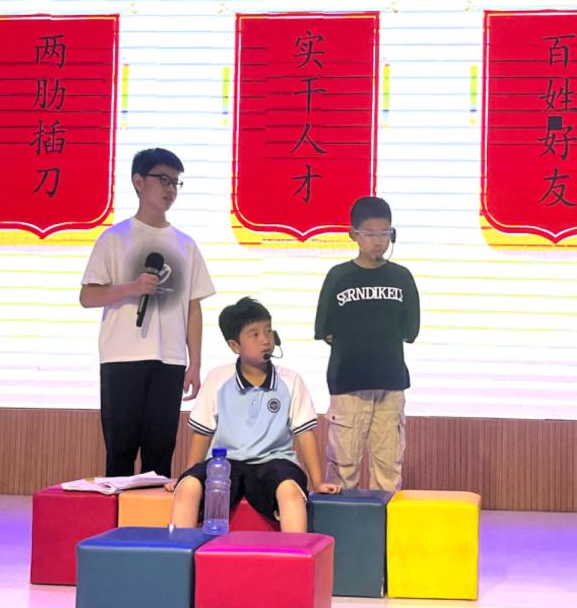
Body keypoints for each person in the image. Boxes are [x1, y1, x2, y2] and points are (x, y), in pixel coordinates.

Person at [80, 148, 215, 477]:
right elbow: (88, 296)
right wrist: (131, 287)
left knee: (160, 453)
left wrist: (195, 363)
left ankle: (153, 512)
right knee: (120, 451)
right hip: (121, 358)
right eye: (163, 180)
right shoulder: (114, 238)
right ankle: (119, 511)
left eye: (175, 182)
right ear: (138, 182)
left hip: (170, 361)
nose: (170, 189)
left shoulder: (185, 245)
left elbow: (193, 307)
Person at [168, 297, 340, 531]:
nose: (265, 340)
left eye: (268, 330)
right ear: (234, 346)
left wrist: (318, 482)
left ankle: (295, 554)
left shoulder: (291, 380)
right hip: (225, 464)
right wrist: (188, 474)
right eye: (255, 334)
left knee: (289, 491)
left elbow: (305, 434)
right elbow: (202, 433)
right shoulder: (217, 378)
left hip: (275, 462)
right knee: (188, 487)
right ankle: (182, 553)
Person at [314, 196, 420, 491]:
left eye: (384, 233)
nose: (378, 241)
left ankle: (383, 521)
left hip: (390, 383)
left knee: (388, 466)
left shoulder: (401, 277)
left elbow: (409, 330)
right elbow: (325, 329)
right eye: (370, 234)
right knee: (343, 466)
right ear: (353, 234)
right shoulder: (339, 277)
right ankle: (339, 520)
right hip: (348, 383)